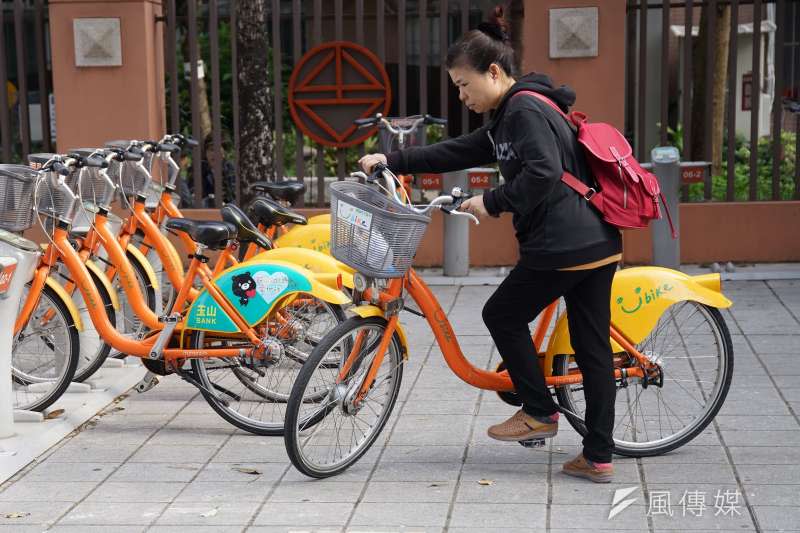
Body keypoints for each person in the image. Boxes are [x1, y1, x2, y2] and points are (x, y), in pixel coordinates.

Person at [358, 8, 622, 483]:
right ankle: (597, 456)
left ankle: (539, 409)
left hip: (563, 244)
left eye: (463, 84)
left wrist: (492, 202)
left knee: (501, 314)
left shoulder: (522, 110)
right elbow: (457, 149)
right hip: (594, 240)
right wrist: (393, 159)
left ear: (494, 72)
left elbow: (541, 171)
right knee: (591, 348)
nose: (461, 95)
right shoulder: (510, 116)